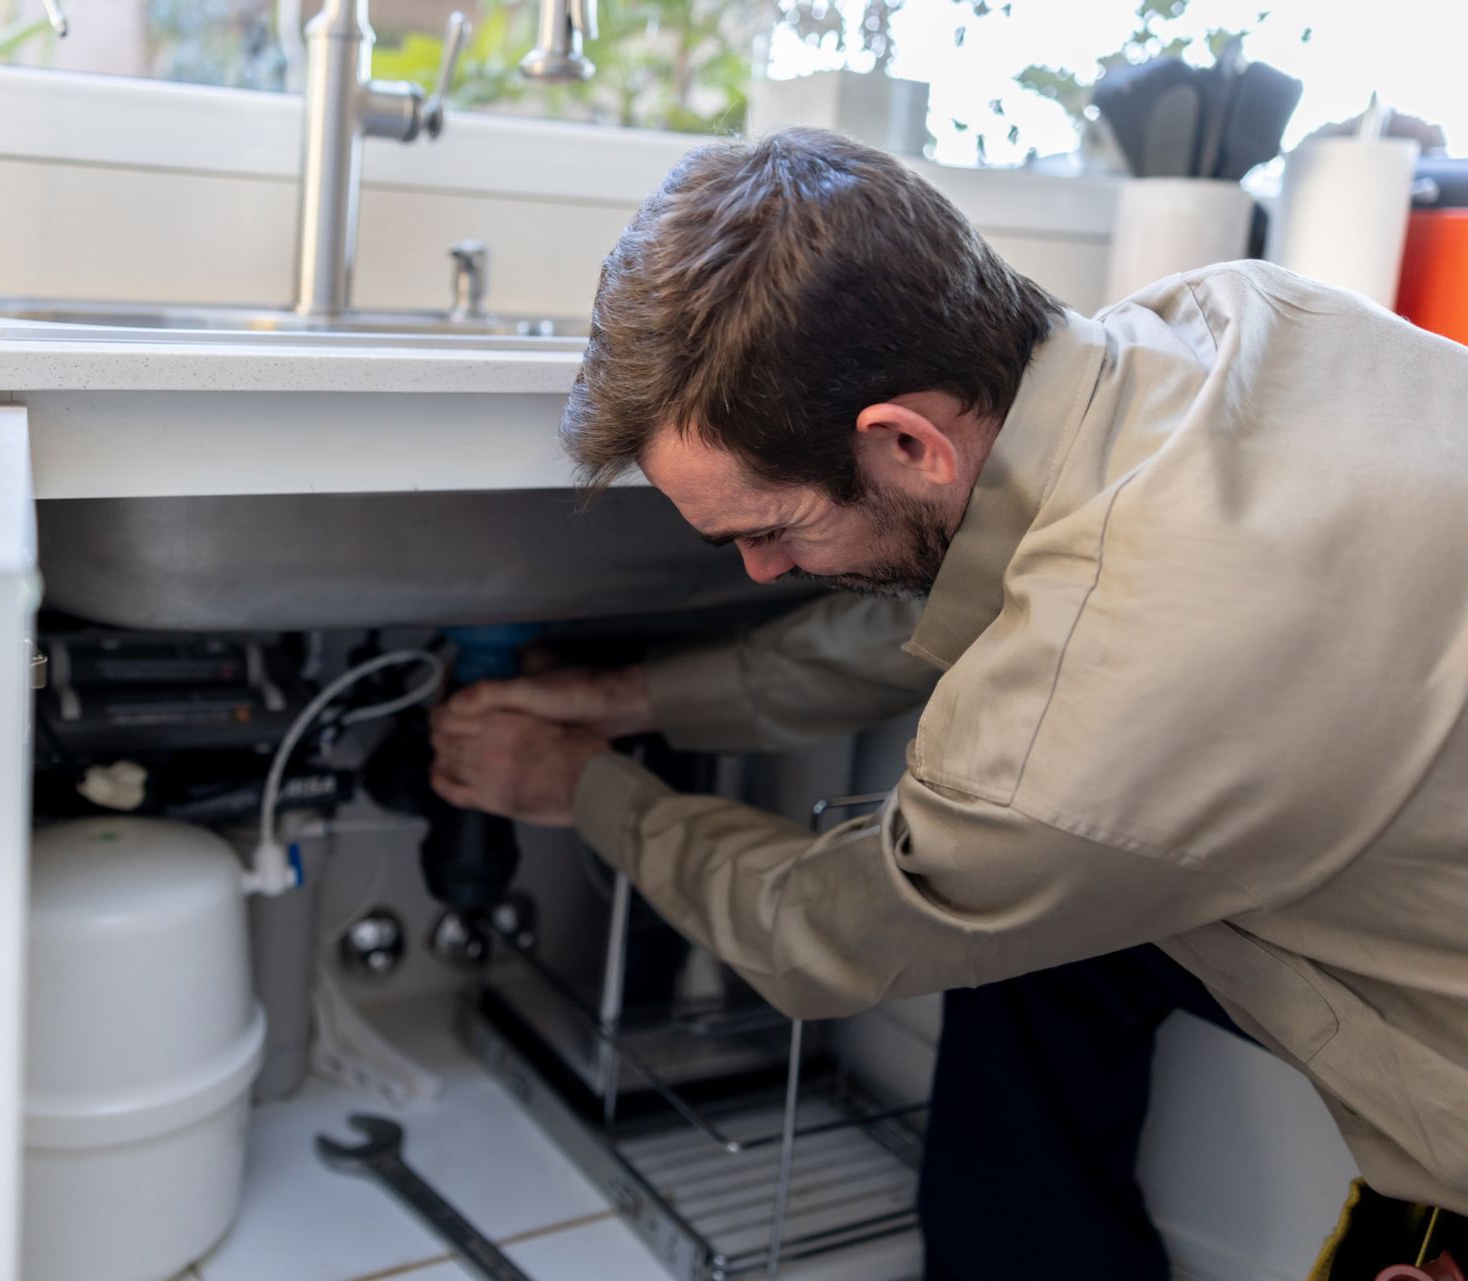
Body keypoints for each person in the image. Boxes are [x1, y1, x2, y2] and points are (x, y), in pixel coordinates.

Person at [425, 127, 1468, 1280]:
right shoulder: (1231, 318)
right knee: (1043, 947)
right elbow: (1013, 607)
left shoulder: (1078, 735)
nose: (760, 576)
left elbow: (817, 926)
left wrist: (579, 784)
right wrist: (624, 698)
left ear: (909, 442)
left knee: (1008, 915)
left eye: (770, 532)